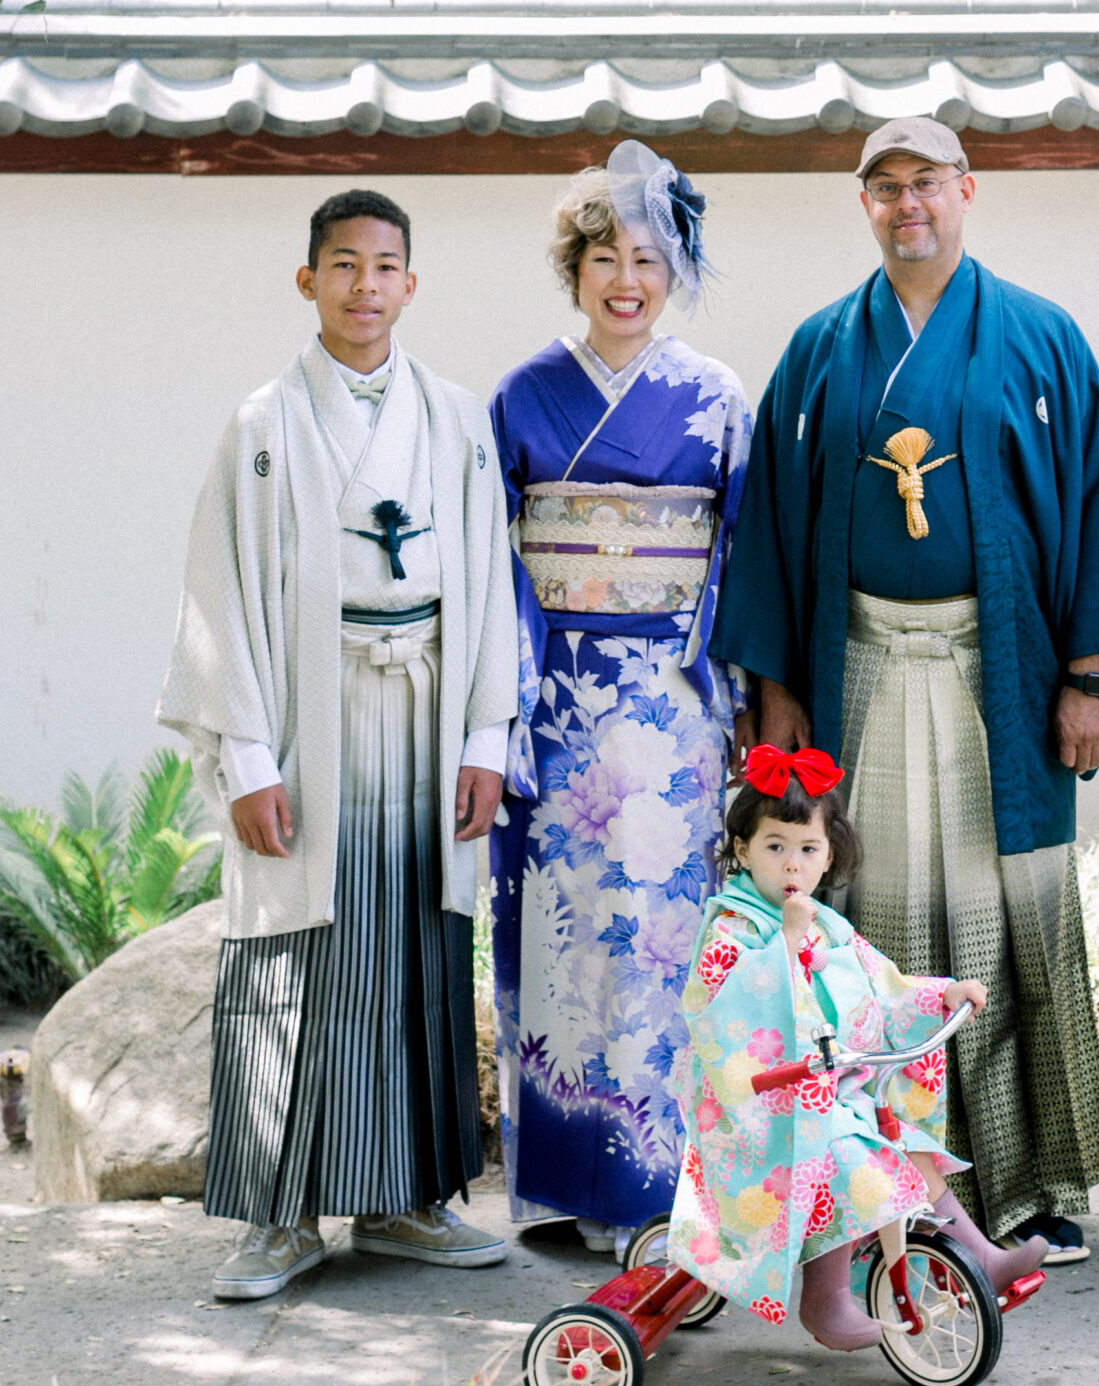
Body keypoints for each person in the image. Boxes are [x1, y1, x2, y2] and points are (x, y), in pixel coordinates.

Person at [714, 115, 1099, 1264]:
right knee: (856, 916)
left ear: (967, 192)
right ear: (865, 204)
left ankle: (1030, 1182)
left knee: (1007, 912)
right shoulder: (822, 349)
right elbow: (770, 524)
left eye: (927, 182)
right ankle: (868, 1180)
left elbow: (1093, 501)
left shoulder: (1041, 338)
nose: (907, 203)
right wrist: (776, 689)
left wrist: (1089, 677)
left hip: (1001, 672)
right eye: (885, 187)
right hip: (858, 660)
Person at [159, 189, 519, 1301]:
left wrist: (485, 731)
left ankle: (407, 1200)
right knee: (293, 948)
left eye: (386, 265)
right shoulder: (263, 424)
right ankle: (279, 1217)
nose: (366, 284)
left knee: (413, 940)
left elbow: (493, 578)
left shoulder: (457, 418)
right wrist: (248, 757)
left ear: (413, 283)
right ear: (306, 279)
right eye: (344, 263)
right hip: (307, 710)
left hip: (424, 702)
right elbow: (218, 593)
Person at [488, 143, 750, 1259]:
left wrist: (731, 696)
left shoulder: (715, 397)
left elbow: (738, 554)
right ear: (575, 268)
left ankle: (653, 1179)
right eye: (605, 256)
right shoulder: (521, 395)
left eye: (648, 256)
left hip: (673, 701)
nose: (627, 278)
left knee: (657, 941)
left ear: (676, 267)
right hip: (555, 699)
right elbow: (495, 552)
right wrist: (507, 697)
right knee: (557, 932)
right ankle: (555, 1174)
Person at [668, 746, 1048, 1346]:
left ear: (828, 857)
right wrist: (783, 948)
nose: (791, 864)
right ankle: (826, 1301)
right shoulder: (733, 928)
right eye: (774, 846)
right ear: (742, 850)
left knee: (909, 1144)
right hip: (757, 1103)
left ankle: (978, 1256)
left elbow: (880, 983)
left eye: (808, 848)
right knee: (850, 1158)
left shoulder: (829, 924)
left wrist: (940, 996)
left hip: (823, 1087)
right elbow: (721, 1011)